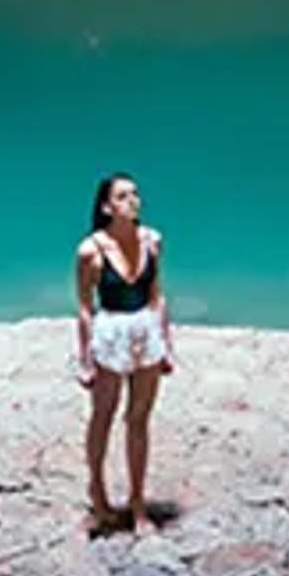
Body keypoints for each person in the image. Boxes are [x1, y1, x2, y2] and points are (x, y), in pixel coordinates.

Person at [72, 171, 175, 533]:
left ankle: (137, 502)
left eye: (135, 194)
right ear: (106, 206)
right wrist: (85, 359)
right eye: (122, 196)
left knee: (139, 418)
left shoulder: (152, 241)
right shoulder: (91, 251)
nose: (133, 201)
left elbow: (157, 295)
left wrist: (166, 345)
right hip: (111, 330)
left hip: (144, 329)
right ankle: (97, 491)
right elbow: (85, 307)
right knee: (104, 413)